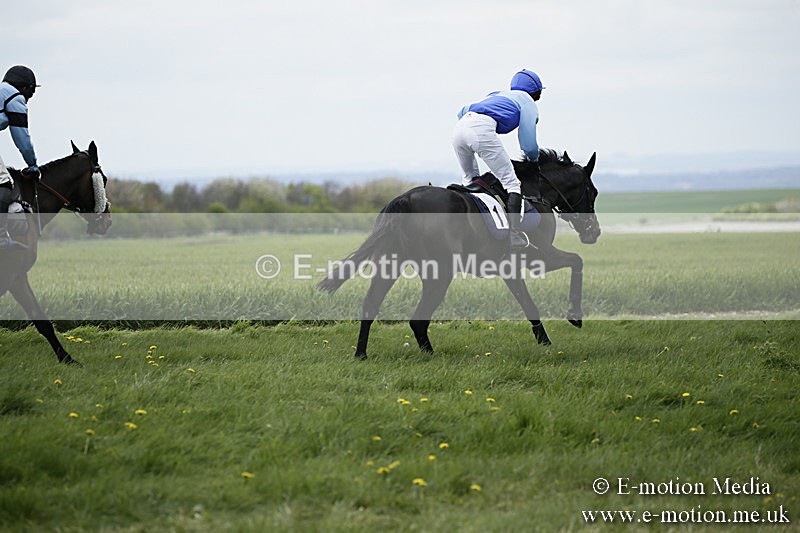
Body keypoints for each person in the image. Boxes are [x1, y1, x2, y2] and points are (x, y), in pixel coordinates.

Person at [452, 68, 543, 250]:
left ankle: (471, 229)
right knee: (512, 184)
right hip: (480, 130)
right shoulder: (528, 103)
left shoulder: (496, 94)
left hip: (459, 129)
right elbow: (528, 144)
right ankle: (515, 236)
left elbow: (462, 111)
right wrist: (534, 160)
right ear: (536, 92)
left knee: (470, 180)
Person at [1, 65, 41, 249]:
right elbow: (21, 137)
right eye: (31, 93)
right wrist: (32, 164)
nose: (29, 98)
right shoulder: (15, 97)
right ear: (25, 88)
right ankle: (1, 237)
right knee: (3, 182)